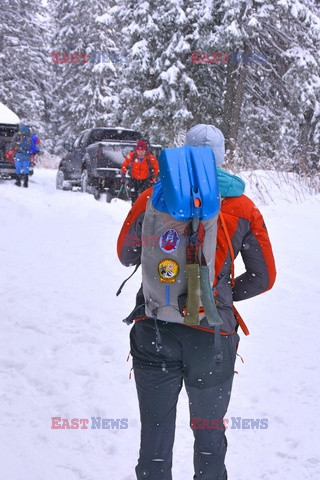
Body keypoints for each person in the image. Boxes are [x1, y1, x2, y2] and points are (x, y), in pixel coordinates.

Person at [117, 124, 276, 480]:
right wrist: (219, 295)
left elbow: (126, 253)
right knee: (208, 436)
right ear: (221, 157)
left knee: (155, 434)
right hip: (212, 337)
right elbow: (264, 276)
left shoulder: (153, 197)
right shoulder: (243, 207)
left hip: (155, 329)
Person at [120, 139, 159, 203]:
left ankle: (143, 210)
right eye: (138, 150)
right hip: (134, 180)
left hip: (145, 181)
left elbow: (156, 167)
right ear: (136, 150)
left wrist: (153, 177)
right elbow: (124, 165)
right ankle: (134, 208)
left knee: (145, 197)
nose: (140, 152)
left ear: (145, 150)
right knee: (134, 197)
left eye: (142, 150)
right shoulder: (132, 156)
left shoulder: (150, 157)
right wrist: (122, 175)